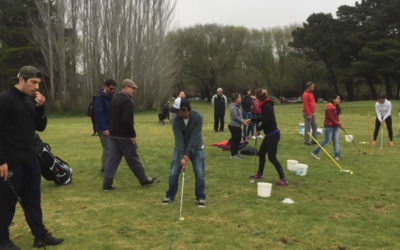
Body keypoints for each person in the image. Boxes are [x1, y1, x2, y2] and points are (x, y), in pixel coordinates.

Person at [0, 66, 64, 249]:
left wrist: (41, 107)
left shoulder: (30, 100)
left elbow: (40, 127)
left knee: (33, 200)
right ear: (22, 79)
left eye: (38, 83)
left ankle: (41, 235)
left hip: (31, 159)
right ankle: (2, 240)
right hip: (11, 161)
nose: (36, 87)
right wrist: (1, 160)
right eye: (33, 82)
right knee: (6, 203)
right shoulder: (5, 99)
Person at [102, 79, 158, 191]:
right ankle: (144, 180)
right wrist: (132, 135)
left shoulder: (115, 99)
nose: (134, 91)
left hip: (113, 135)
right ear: (126, 87)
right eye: (133, 89)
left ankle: (107, 184)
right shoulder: (127, 101)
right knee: (133, 158)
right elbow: (127, 120)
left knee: (112, 160)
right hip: (124, 136)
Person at [162, 97, 206, 207]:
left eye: (178, 111)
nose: (176, 113)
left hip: (196, 148)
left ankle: (200, 197)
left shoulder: (198, 117)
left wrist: (187, 155)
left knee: (200, 174)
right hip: (180, 148)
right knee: (173, 173)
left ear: (185, 109)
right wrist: (181, 155)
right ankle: (170, 195)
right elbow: (179, 139)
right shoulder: (176, 120)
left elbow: (195, 137)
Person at [249, 89, 288, 186]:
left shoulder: (266, 106)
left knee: (272, 157)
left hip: (273, 135)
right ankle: (260, 173)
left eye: (256, 98)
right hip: (269, 135)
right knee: (261, 153)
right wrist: (251, 120)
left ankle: (283, 178)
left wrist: (258, 129)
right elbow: (263, 118)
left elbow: (267, 121)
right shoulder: (266, 104)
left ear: (258, 98)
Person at [94, 79, 117, 172]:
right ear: (106, 86)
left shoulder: (110, 97)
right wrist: (104, 128)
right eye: (111, 89)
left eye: (113, 89)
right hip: (104, 128)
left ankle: (107, 166)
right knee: (107, 147)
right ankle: (105, 167)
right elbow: (99, 114)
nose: (112, 91)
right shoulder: (99, 98)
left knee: (111, 147)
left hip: (111, 126)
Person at [311, 95, 343, 160]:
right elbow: (332, 119)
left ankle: (337, 155)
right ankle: (314, 152)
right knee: (326, 140)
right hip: (329, 126)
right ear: (333, 99)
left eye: (339, 99)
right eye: (338, 99)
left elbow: (336, 118)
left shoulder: (336, 106)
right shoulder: (329, 107)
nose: (339, 100)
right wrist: (339, 124)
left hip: (335, 126)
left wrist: (338, 123)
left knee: (336, 140)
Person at [229, 93, 250, 160]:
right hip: (233, 126)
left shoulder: (237, 106)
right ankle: (233, 155)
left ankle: (236, 154)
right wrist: (243, 121)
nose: (240, 99)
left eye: (240, 97)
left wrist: (244, 120)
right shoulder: (233, 107)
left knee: (238, 140)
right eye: (239, 98)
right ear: (235, 99)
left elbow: (239, 116)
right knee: (234, 140)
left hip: (237, 126)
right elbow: (235, 117)